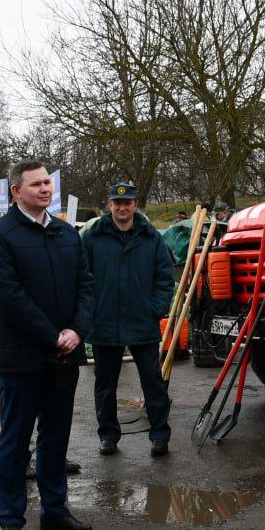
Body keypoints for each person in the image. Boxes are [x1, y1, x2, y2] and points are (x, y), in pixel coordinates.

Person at [0, 159, 95, 530]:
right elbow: (7, 298)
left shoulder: (66, 233)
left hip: (65, 355)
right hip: (23, 357)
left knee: (56, 437)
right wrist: (52, 336)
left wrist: (77, 330)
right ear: (16, 191)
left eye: (48, 183)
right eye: (37, 184)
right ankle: (11, 519)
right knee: (15, 440)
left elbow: (86, 285)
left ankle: (55, 510)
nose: (46, 189)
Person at [82, 181, 177, 457]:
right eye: (117, 203)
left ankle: (160, 434)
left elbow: (164, 276)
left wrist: (155, 308)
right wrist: (91, 311)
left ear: (135, 205)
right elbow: (82, 277)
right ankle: (108, 436)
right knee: (105, 384)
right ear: (109, 204)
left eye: (127, 203)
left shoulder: (150, 237)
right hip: (105, 323)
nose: (122, 207)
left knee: (153, 381)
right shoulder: (93, 237)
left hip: (141, 321)